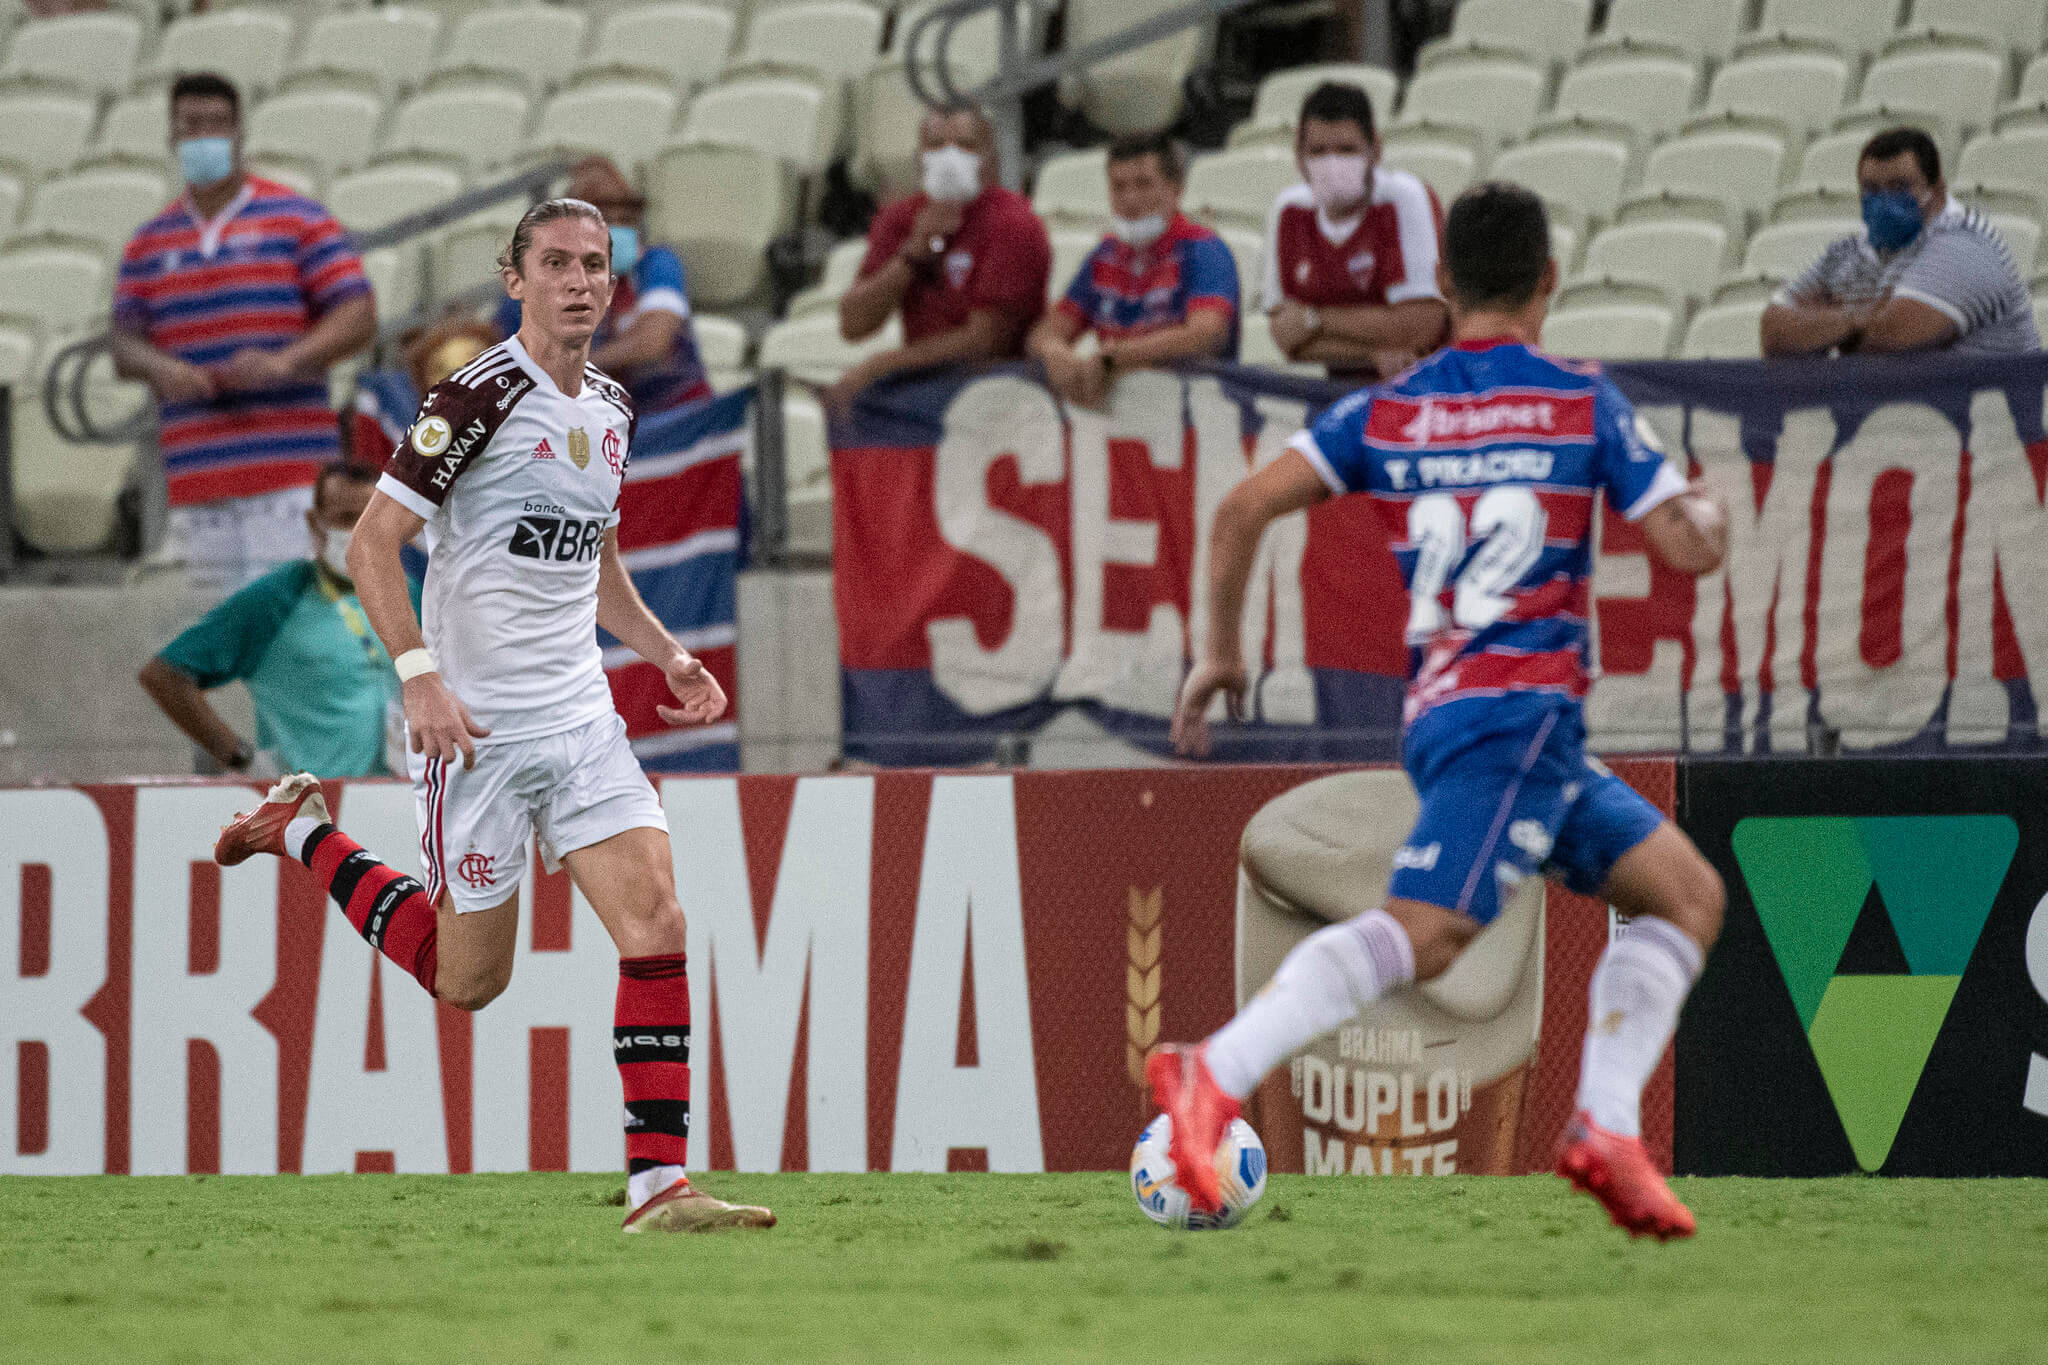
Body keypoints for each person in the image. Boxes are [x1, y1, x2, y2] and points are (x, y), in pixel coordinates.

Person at [1153, 182, 1731, 1241]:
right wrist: (1707, 515)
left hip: (1471, 722)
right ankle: (1208, 1072)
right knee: (1428, 938)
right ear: (1549, 281)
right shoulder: (1577, 399)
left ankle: (1604, 1128)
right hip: (1514, 716)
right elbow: (1684, 544)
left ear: (1444, 285)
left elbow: (1241, 508)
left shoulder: (1391, 408)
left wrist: (1222, 652)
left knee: (1682, 895)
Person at [212, 198, 772, 1234]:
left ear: (612, 282)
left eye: (595, 265)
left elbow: (593, 558)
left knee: (655, 918)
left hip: (581, 718)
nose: (578, 281)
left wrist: (667, 652)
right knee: (469, 984)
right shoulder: (470, 399)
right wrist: (419, 675)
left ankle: (659, 1188)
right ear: (513, 279)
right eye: (555, 263)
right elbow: (372, 544)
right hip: (476, 730)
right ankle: (301, 832)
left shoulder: (608, 405)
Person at [112, 72, 377, 592]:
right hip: (196, 481)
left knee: (297, 637)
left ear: (239, 133)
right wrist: (159, 366)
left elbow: (358, 314)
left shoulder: (297, 218)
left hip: (292, 478)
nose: (205, 137)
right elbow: (124, 342)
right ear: (171, 136)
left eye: (217, 124)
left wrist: (286, 362)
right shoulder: (149, 241)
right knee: (217, 647)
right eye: (192, 125)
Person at [139, 462, 415, 778]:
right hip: (312, 808)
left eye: (371, 520)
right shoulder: (277, 598)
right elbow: (164, 677)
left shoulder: (410, 594)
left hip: (398, 803)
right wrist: (243, 760)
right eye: (346, 520)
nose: (359, 532)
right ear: (316, 524)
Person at [832, 104, 1051, 409]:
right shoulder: (900, 219)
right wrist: (912, 254)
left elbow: (986, 341)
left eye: (965, 145)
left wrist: (884, 365)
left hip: (1000, 398)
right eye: (935, 145)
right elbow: (853, 324)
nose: (949, 157)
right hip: (923, 397)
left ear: (991, 157)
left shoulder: (1014, 222)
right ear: (920, 156)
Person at [1761, 127, 2041, 357]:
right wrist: (1855, 319)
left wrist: (1825, 324)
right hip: (1895, 418)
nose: (1883, 201)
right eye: (1871, 189)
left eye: (1899, 187)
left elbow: (1893, 340)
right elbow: (1773, 334)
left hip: (1991, 420)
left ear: (1937, 192)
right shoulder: (1846, 255)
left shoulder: (1966, 244)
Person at [1026, 131, 1240, 409]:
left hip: (1195, 420)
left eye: (1143, 184)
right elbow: (1045, 333)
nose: (1130, 198)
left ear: (1175, 189)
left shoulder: (1204, 250)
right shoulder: (1104, 256)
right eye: (1119, 187)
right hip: (1121, 426)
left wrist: (1118, 357)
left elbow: (1207, 335)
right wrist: (1055, 352)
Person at [495, 156, 714, 416]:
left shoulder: (656, 264)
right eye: (605, 219)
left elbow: (652, 342)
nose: (618, 229)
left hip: (675, 419)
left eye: (626, 218)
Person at [1260, 81, 1449, 382]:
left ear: (1375, 148)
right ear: (1299, 155)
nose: (1332, 162)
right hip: (1329, 395)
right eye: (1318, 151)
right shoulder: (1289, 211)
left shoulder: (1404, 197)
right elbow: (1286, 338)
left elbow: (1423, 325)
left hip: (1416, 390)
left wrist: (1315, 318)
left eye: (1346, 150)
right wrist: (1374, 349)